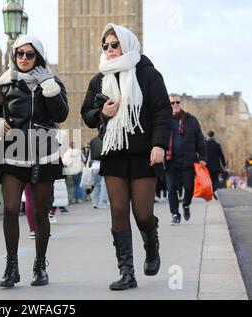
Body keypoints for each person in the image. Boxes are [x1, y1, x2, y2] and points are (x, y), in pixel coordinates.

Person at [81, 23, 172, 290]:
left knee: (142, 214)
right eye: (105, 46)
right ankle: (126, 272)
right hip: (114, 154)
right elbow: (86, 113)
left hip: (144, 154)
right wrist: (102, 114)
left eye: (114, 44)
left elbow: (162, 112)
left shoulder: (148, 74)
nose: (109, 50)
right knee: (119, 210)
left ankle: (151, 244)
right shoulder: (100, 78)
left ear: (127, 44)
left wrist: (159, 144)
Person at [0, 35, 69, 288]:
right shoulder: (4, 83)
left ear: (38, 57)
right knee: (10, 207)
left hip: (43, 153)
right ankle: (11, 265)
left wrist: (50, 89)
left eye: (29, 54)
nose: (24, 58)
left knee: (39, 212)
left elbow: (61, 114)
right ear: (13, 55)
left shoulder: (52, 82)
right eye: (19, 54)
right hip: (12, 152)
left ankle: (40, 264)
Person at [166, 93, 207, 225]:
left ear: (181, 103)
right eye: (172, 103)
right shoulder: (164, 120)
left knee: (189, 188)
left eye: (177, 102)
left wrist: (203, 158)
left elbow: (200, 141)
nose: (175, 105)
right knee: (171, 189)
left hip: (188, 161)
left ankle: (186, 205)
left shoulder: (191, 120)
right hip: (170, 161)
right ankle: (175, 214)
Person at [206, 130, 226, 198]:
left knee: (208, 180)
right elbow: (221, 155)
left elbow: (201, 154)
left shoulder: (204, 144)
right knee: (215, 181)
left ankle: (210, 190)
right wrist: (224, 164)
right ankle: (213, 190)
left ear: (207, 136)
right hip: (215, 166)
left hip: (207, 166)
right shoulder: (217, 145)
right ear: (213, 136)